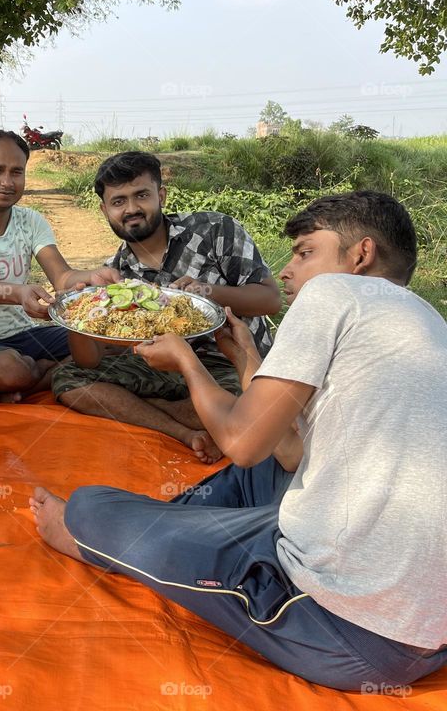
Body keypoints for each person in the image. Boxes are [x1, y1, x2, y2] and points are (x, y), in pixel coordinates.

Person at [30, 190, 447, 690]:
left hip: (348, 628)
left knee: (93, 506)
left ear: (361, 255)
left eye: (305, 252)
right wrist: (245, 357)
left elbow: (243, 442)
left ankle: (90, 535)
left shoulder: (333, 294)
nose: (287, 270)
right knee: (267, 469)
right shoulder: (425, 321)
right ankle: (182, 525)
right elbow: (287, 452)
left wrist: (186, 360)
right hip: (425, 626)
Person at [52, 152, 282, 462]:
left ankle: (155, 410)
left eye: (141, 195)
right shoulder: (118, 273)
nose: (132, 209)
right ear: (105, 209)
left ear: (161, 195)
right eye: (118, 201)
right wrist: (80, 313)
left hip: (232, 361)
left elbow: (270, 299)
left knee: (248, 408)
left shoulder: (215, 230)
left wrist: (207, 291)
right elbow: (90, 361)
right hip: (165, 368)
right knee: (68, 380)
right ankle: (185, 430)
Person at [0, 130, 121, 401]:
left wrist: (92, 276)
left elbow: (62, 276)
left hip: (27, 333)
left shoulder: (31, 221)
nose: (7, 182)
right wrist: (19, 293)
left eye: (16, 172)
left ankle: (36, 376)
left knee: (109, 343)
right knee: (9, 372)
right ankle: (42, 374)